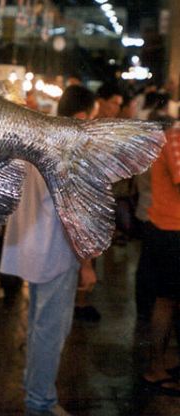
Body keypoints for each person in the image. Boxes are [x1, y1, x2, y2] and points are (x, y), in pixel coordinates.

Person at [0, 85, 98, 416]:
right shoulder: (71, 149)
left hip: (32, 248)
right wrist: (85, 263)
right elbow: (76, 214)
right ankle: (40, 402)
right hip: (56, 253)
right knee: (51, 331)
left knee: (41, 326)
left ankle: (34, 389)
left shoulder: (39, 139)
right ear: (82, 115)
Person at [140, 120, 180, 395]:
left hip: (169, 229)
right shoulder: (175, 138)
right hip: (171, 231)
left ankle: (162, 363)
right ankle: (155, 368)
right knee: (166, 301)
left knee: (171, 301)